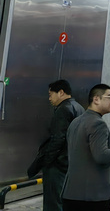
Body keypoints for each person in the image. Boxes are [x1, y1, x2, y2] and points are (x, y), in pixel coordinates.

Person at [61, 84, 110, 211]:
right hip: (92, 197)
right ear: (96, 99)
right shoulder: (98, 124)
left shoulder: (75, 122)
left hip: (71, 193)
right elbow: (101, 156)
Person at [27, 79, 84, 211]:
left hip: (58, 165)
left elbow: (58, 139)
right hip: (70, 163)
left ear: (61, 92)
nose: (49, 99)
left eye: (50, 94)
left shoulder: (63, 109)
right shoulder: (79, 108)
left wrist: (47, 161)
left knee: (53, 203)